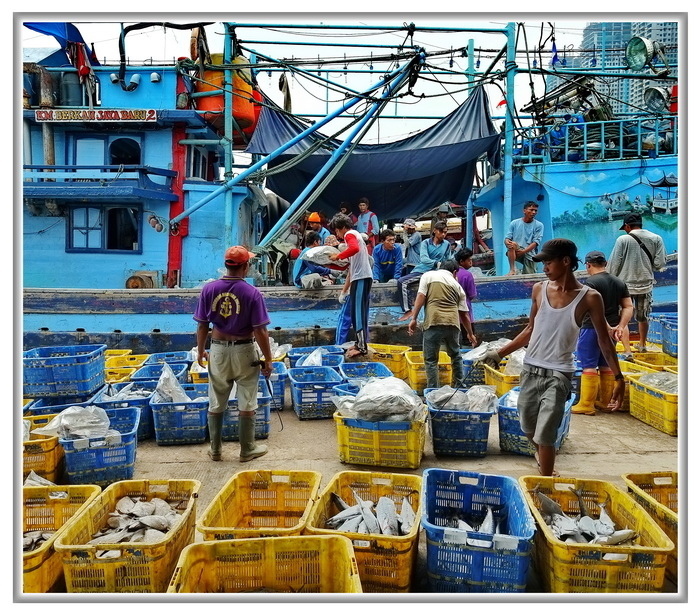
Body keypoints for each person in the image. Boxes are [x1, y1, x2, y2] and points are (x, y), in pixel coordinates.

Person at [481, 239, 625, 477]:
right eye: (543, 263)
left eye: (549, 262)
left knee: (546, 433)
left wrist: (619, 378)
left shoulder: (590, 297)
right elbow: (530, 329)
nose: (545, 267)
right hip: (530, 369)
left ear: (566, 261)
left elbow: (604, 340)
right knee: (528, 426)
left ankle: (547, 480)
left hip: (559, 374)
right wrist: (498, 354)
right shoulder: (539, 289)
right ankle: (542, 456)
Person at [194, 245, 273, 462]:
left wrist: (200, 350)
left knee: (216, 399)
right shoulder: (252, 293)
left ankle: (215, 450)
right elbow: (261, 331)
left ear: (226, 265)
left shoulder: (209, 289)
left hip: (218, 349)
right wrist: (268, 359)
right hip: (245, 350)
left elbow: (202, 325)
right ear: (245, 266)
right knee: (247, 399)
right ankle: (247, 449)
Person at [572, 250, 633, 415]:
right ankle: (606, 402)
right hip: (613, 331)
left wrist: (604, 326)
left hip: (591, 328)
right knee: (606, 365)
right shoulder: (619, 282)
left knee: (588, 365)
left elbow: (594, 310)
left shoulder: (590, 283)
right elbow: (628, 306)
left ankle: (586, 404)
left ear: (588, 265)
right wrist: (620, 326)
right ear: (605, 264)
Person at [406, 260, 477, 389]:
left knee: (431, 360)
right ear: (454, 272)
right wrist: (470, 334)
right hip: (453, 323)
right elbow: (464, 315)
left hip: (434, 321)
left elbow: (421, 296)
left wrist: (414, 318)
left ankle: (433, 390)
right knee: (456, 356)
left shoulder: (428, 275)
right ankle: (459, 386)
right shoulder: (457, 286)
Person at [607, 212, 667, 353]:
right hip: (646, 285)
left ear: (627, 226)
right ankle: (642, 345)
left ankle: (627, 351)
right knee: (643, 317)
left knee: (623, 320)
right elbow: (660, 263)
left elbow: (614, 265)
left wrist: (610, 282)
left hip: (624, 287)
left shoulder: (623, 240)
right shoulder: (656, 238)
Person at [328, 213, 373, 358]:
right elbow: (350, 268)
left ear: (342, 227)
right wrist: (344, 290)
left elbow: (354, 249)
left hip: (361, 278)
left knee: (358, 313)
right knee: (356, 312)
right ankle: (359, 343)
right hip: (360, 278)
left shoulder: (350, 234)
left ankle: (362, 347)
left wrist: (338, 256)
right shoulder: (354, 236)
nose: (337, 234)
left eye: (336, 230)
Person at [397, 221, 452, 320]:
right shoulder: (425, 243)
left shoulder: (447, 244)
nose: (443, 234)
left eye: (445, 232)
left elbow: (448, 259)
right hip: (423, 270)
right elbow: (424, 259)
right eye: (441, 232)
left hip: (437, 272)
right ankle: (408, 310)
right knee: (401, 282)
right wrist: (437, 263)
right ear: (435, 231)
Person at [504, 201, 544, 275]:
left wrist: (524, 251)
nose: (534, 212)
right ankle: (512, 270)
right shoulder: (514, 223)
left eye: (535, 210)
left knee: (529, 276)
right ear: (524, 211)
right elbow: (508, 237)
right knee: (512, 244)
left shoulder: (539, 225)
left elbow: (536, 242)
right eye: (531, 210)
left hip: (530, 253)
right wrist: (506, 242)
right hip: (517, 249)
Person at [455, 248, 478, 336]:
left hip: (452, 313)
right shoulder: (467, 275)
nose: (471, 262)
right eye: (469, 260)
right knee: (468, 337)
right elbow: (472, 294)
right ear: (461, 261)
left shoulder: (452, 273)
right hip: (465, 309)